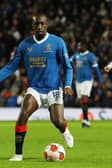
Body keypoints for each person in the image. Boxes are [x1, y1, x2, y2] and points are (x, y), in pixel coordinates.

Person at [0, 14, 74, 161]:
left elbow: (68, 67)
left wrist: (67, 84)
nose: (39, 27)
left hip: (54, 89)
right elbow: (10, 67)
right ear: (33, 27)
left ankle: (64, 131)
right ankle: (18, 154)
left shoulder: (57, 42)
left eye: (42, 24)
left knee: (57, 121)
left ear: (47, 25)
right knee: (23, 115)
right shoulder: (24, 45)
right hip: (35, 89)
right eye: (37, 24)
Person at [71, 40, 103, 128]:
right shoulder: (76, 55)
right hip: (78, 80)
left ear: (85, 47)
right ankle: (85, 119)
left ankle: (86, 120)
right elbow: (69, 61)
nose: (78, 47)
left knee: (84, 98)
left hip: (87, 80)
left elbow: (96, 69)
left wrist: (100, 80)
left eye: (80, 46)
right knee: (81, 100)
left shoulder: (90, 56)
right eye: (78, 46)